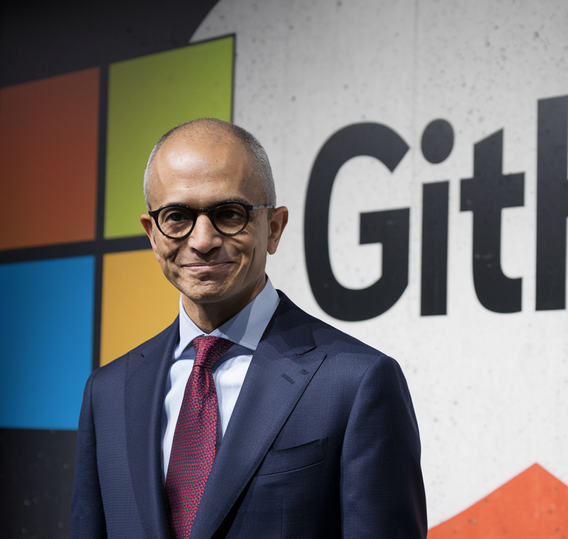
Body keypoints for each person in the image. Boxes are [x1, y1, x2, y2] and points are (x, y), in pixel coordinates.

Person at [71, 118, 427, 538]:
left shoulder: (356, 382)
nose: (202, 240)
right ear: (153, 235)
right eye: (177, 216)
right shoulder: (108, 392)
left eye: (228, 213)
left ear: (273, 228)